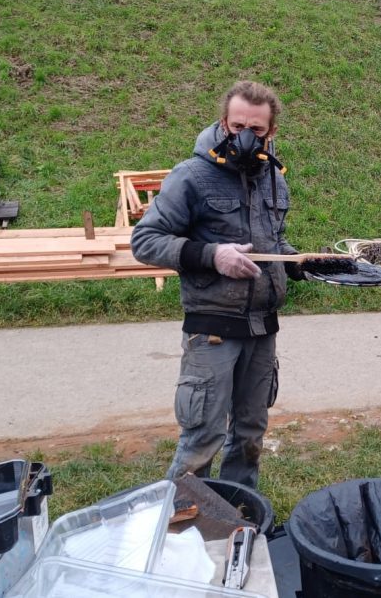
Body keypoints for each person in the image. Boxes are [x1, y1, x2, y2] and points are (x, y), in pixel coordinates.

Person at [131, 80, 305, 488]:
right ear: (223, 121)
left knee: (249, 434)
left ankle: (236, 514)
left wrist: (299, 262)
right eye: (237, 125)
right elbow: (145, 241)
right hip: (212, 328)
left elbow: (272, 242)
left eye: (256, 131)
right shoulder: (191, 175)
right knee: (203, 437)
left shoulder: (275, 179)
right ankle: (181, 522)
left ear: (271, 133)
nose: (244, 137)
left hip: (262, 326)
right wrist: (213, 255)